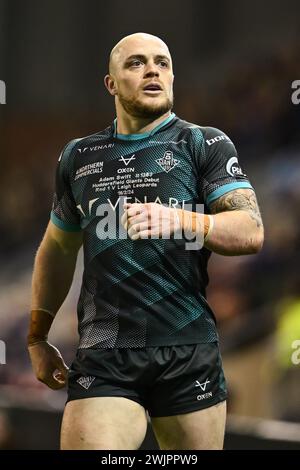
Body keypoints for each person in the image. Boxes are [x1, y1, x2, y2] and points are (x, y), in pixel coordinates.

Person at [27, 32, 264, 450]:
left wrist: (180, 218)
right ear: (111, 84)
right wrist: (37, 337)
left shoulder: (202, 143)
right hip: (106, 353)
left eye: (163, 62)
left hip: (187, 349)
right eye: (136, 63)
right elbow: (58, 248)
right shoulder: (79, 156)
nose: (153, 70)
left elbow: (250, 230)